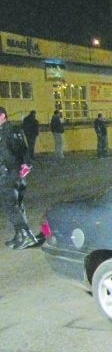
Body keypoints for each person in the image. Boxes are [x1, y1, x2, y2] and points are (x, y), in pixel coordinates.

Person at [0, 106, 37, 249]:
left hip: (11, 173)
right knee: (14, 205)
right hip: (6, 172)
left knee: (11, 205)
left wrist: (27, 165)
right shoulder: (2, 132)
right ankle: (20, 235)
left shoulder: (11, 131)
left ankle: (26, 235)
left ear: (3, 116)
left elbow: (23, 149)